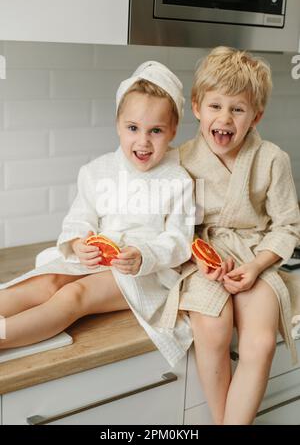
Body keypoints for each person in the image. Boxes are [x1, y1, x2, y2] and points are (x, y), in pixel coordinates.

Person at [0, 61, 195, 367]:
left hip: (144, 274)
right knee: (47, 282)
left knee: (72, 295)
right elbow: (80, 218)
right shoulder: (97, 171)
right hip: (97, 261)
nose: (143, 141)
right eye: (133, 128)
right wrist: (78, 243)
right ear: (118, 124)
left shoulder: (178, 180)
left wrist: (143, 255)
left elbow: (179, 241)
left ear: (172, 131)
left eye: (155, 130)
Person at [175, 46, 300, 424]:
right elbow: (175, 226)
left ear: (255, 115)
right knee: (213, 330)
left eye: (238, 109)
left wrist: (257, 265)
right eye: (215, 106)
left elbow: (287, 225)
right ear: (197, 107)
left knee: (260, 343)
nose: (225, 119)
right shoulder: (179, 159)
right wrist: (202, 258)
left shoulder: (272, 159)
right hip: (202, 260)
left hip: (254, 257)